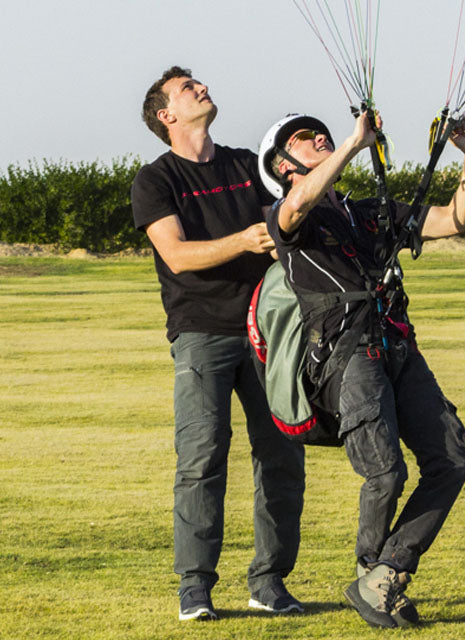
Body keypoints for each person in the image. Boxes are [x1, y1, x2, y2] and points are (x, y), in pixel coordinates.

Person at [255, 110, 465, 628]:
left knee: (450, 459)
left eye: (318, 132)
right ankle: (373, 575)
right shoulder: (288, 217)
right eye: (301, 139)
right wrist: (354, 145)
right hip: (346, 354)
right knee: (385, 471)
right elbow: (298, 205)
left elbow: (455, 219)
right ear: (283, 164)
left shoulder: (368, 212)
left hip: (398, 346)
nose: (317, 136)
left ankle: (383, 574)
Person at [131, 66, 306, 621]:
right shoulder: (155, 180)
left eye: (199, 83)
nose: (202, 88)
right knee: (202, 458)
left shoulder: (242, 165)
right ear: (168, 115)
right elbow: (178, 255)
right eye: (188, 89)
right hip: (201, 333)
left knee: (282, 455)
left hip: (266, 332)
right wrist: (247, 239)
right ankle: (195, 588)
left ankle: (269, 581)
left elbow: (290, 213)